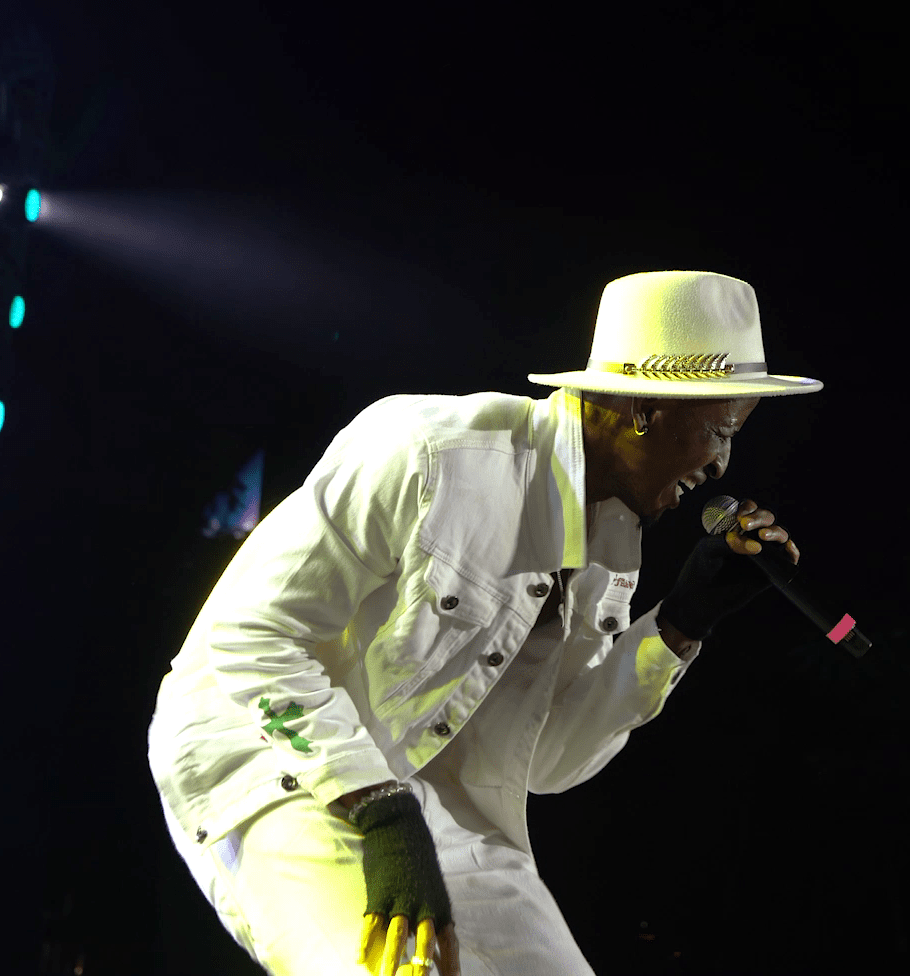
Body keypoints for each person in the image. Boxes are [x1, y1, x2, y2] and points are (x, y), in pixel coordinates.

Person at [147, 270, 823, 975]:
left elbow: (551, 760)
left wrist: (681, 622)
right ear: (644, 409)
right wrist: (379, 807)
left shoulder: (614, 548)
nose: (722, 465)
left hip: (427, 803)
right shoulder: (430, 453)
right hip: (269, 760)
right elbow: (252, 638)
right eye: (720, 431)